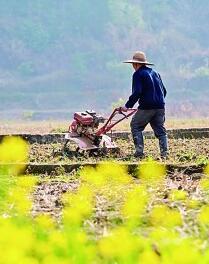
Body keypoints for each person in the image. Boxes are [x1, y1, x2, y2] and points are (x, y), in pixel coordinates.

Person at [120, 51, 168, 159]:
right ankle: (165, 154)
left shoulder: (138, 74)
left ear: (135, 64)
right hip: (160, 107)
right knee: (160, 131)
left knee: (135, 125)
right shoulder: (156, 73)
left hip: (147, 107)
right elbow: (164, 91)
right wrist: (157, 101)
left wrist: (127, 106)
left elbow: (137, 92)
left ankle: (139, 153)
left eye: (133, 64)